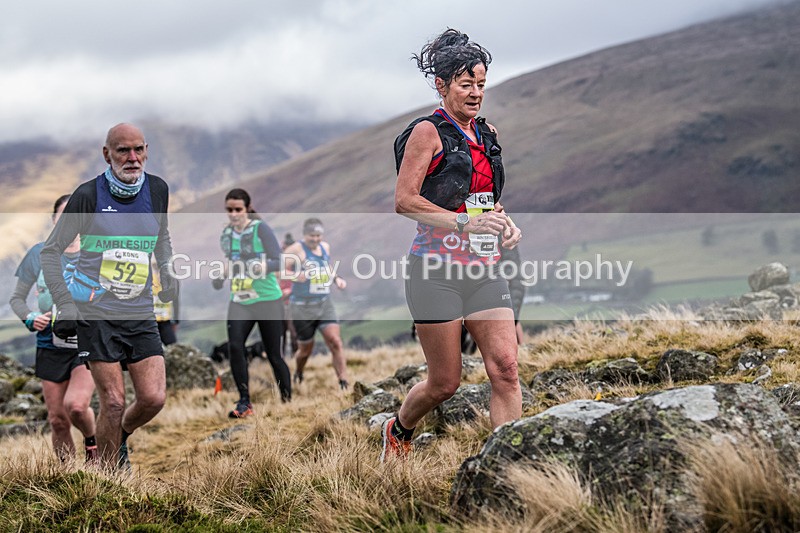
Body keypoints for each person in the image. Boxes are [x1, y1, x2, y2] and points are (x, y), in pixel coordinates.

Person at [385, 29, 523, 461]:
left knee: (506, 368)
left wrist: (502, 222)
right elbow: (405, 201)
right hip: (434, 270)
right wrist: (465, 224)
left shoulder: (487, 133)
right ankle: (399, 429)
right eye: (467, 85)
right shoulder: (427, 133)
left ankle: (505, 466)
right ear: (442, 84)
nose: (477, 93)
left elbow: (482, 196)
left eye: (481, 84)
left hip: (484, 267)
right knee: (445, 383)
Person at [40, 123, 177, 470]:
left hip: (140, 310)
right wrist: (66, 303)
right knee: (112, 403)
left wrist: (168, 273)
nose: (133, 158)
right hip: (96, 313)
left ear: (146, 150)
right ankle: (108, 480)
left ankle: (120, 437)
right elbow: (50, 252)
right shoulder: (88, 196)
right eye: (123, 151)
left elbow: (161, 237)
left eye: (139, 150)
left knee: (153, 398)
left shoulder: (157, 189)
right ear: (107, 154)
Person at [9, 194, 97, 463]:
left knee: (77, 407)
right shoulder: (38, 253)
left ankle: (93, 447)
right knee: (58, 420)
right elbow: (17, 299)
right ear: (53, 221)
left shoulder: (94, 254)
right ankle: (69, 479)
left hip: (86, 344)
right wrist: (30, 317)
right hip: (50, 344)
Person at [211, 188, 291, 417]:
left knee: (273, 354)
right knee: (235, 347)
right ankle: (244, 402)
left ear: (246, 209)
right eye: (229, 210)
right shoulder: (226, 234)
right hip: (240, 299)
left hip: (267, 299)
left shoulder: (260, 229)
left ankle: (287, 401)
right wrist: (220, 276)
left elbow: (278, 261)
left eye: (238, 209)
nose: (234, 214)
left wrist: (261, 267)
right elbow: (230, 260)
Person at [283, 218, 349, 390]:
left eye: (318, 235)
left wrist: (337, 279)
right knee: (305, 350)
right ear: (305, 235)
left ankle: (343, 381)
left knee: (335, 341)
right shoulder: (295, 250)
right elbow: (277, 270)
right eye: (312, 236)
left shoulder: (325, 247)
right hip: (302, 306)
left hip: (324, 302)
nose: (316, 239)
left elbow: (326, 266)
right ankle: (298, 372)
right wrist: (295, 276)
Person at [151, 255, 180, 346]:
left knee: (173, 348)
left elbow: (176, 302)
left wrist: (176, 320)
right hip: (151, 321)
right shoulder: (149, 279)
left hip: (165, 321)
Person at [279, 233, 299, 357]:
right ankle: (281, 360)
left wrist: (290, 291)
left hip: (293, 302)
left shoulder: (298, 264)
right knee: (280, 334)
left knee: (294, 333)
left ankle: (295, 359)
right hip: (279, 301)